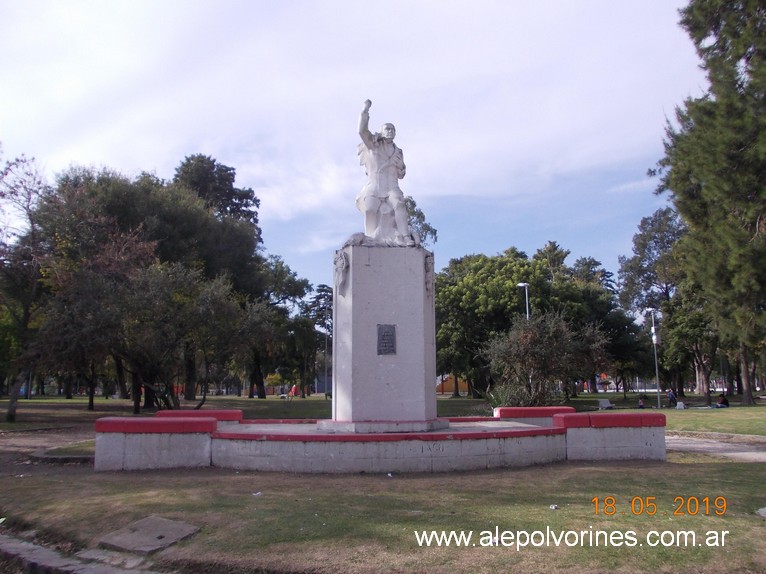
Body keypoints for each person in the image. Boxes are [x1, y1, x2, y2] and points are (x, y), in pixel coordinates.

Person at [356, 99, 416, 246]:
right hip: (375, 186)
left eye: (393, 129)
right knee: (370, 209)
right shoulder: (373, 145)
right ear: (382, 132)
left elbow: (401, 174)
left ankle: (405, 236)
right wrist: (365, 111)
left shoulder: (398, 151)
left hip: (391, 187)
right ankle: (370, 237)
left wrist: (402, 167)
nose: (390, 131)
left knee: (399, 205)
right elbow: (361, 131)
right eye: (387, 129)